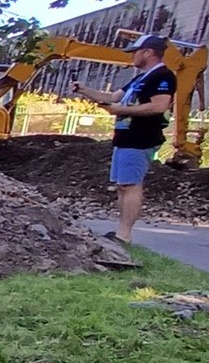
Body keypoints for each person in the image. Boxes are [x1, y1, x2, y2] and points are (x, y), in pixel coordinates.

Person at [72, 33, 176, 246]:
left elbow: (159, 106)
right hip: (125, 137)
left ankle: (124, 235)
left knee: (131, 184)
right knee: (122, 185)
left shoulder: (163, 76)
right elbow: (112, 98)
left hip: (141, 137)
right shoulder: (140, 78)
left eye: (135, 52)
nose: (132, 57)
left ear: (148, 52)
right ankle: (120, 232)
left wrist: (122, 110)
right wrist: (84, 90)